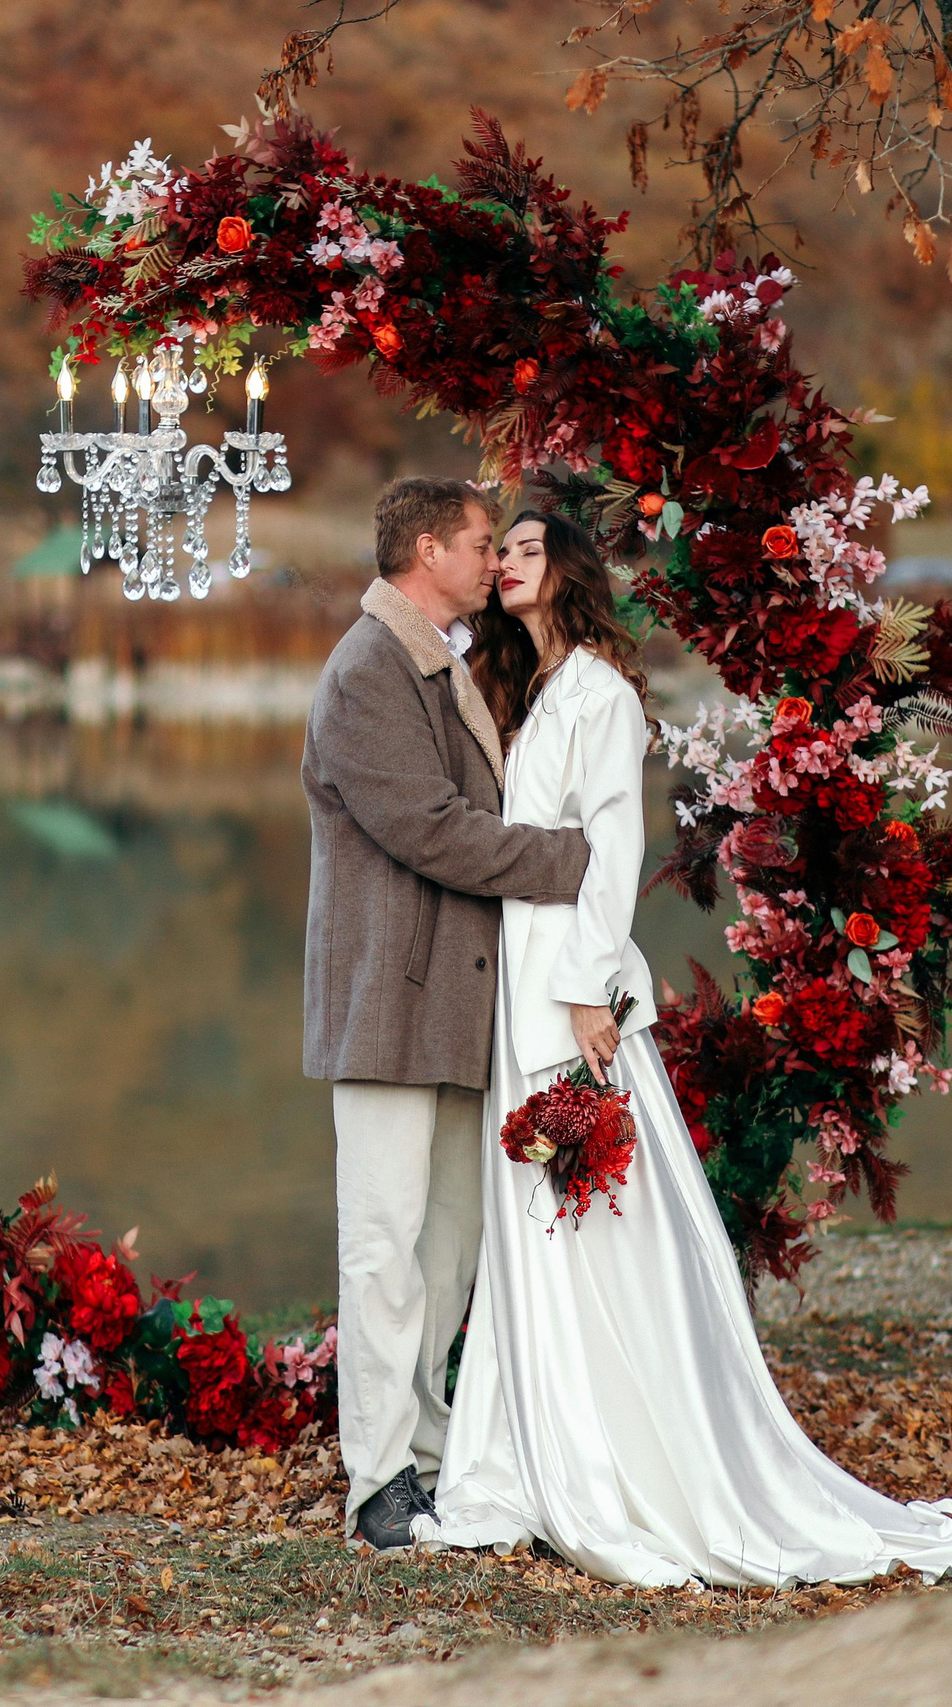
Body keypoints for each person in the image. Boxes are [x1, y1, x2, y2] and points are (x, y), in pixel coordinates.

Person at [419, 509, 952, 1587]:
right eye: (499, 550)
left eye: (523, 549)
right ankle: (529, 1451)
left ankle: (627, 1461)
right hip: (510, 982)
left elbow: (614, 845)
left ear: (564, 571)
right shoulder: (522, 693)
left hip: (563, 988)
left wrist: (584, 993)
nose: (504, 564)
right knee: (532, 1229)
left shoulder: (602, 698)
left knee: (592, 1219)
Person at [300, 477, 593, 1552]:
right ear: (427, 549)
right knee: (383, 1246)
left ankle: (424, 1459)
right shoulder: (368, 668)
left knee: (448, 1249)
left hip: (455, 1004)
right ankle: (377, 1484)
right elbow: (429, 829)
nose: (491, 560)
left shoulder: (447, 660)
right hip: (386, 1002)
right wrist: (570, 862)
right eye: (477, 544)